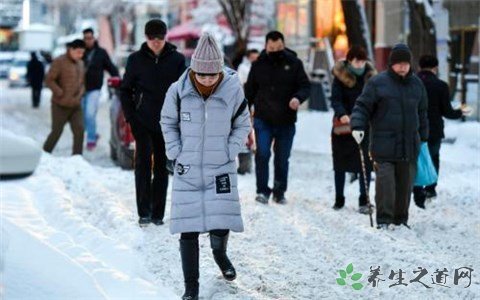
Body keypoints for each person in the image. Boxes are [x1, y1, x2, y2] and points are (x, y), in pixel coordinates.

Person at [161, 32, 251, 300]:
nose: (208, 80)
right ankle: (192, 288)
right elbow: (167, 122)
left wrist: (230, 149)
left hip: (219, 167)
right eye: (202, 75)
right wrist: (176, 151)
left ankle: (220, 254)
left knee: (220, 220)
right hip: (187, 169)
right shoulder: (177, 91)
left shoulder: (233, 89)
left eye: (213, 76)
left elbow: (242, 123)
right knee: (187, 229)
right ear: (194, 70)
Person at [350, 43, 429, 229]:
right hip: (383, 146)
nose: (402, 66)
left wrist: (424, 137)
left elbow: (423, 112)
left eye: (406, 63)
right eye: (398, 63)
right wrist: (358, 125)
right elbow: (362, 106)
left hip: (409, 146)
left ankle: (401, 220)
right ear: (391, 64)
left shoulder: (417, 85)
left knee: (405, 186)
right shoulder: (377, 83)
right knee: (386, 184)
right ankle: (384, 219)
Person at [119, 19, 186, 227]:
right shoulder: (135, 60)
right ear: (146, 38)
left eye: (160, 37)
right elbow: (125, 90)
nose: (156, 41)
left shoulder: (177, 60)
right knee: (142, 164)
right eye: (151, 37)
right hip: (142, 121)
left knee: (161, 167)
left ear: (165, 37)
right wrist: (131, 117)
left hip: (167, 122)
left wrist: (180, 119)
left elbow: (184, 91)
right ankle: (144, 212)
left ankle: (158, 213)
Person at [245, 31, 310, 205]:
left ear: (284, 45)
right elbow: (249, 91)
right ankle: (262, 191)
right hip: (263, 118)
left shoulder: (294, 63)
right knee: (263, 154)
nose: (275, 50)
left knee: (282, 157)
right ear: (266, 46)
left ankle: (279, 191)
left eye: (279, 47)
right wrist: (244, 111)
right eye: (272, 48)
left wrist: (298, 98)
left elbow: (305, 86)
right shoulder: (259, 64)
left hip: (286, 119)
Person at [413, 54, 470, 208]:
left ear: (419, 67)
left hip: (415, 128)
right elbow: (447, 112)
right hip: (434, 130)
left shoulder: (412, 82)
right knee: (433, 157)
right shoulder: (441, 86)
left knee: (417, 158)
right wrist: (460, 112)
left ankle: (416, 188)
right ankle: (430, 188)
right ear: (435, 68)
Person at [330, 45, 377, 213]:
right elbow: (335, 99)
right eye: (357, 61)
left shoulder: (370, 78)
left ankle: (364, 200)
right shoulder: (340, 77)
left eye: (363, 61)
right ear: (350, 61)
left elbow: (375, 100)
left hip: (364, 125)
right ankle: (339, 198)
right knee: (340, 163)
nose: (360, 64)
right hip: (344, 126)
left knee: (365, 162)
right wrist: (342, 113)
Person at [43, 39, 86, 155]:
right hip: (60, 104)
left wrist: (81, 93)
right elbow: (49, 80)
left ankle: (77, 157)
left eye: (82, 53)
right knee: (56, 132)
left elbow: (82, 82)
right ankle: (44, 155)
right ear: (70, 50)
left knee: (79, 130)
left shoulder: (81, 63)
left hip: (75, 105)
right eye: (78, 52)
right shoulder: (59, 61)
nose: (80, 55)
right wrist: (59, 92)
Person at [82, 28, 119, 151]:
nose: (88, 40)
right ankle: (93, 133)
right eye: (86, 38)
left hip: (94, 89)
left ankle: (91, 139)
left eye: (90, 38)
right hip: (80, 89)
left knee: (90, 114)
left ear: (94, 38)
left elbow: (110, 67)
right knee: (82, 116)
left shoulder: (101, 53)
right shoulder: (80, 51)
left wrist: (118, 78)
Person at [236, 49, 259, 175]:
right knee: (247, 131)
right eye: (253, 57)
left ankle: (249, 157)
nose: (255, 59)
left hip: (259, 104)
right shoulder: (243, 68)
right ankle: (245, 162)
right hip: (246, 103)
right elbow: (241, 84)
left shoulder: (262, 67)